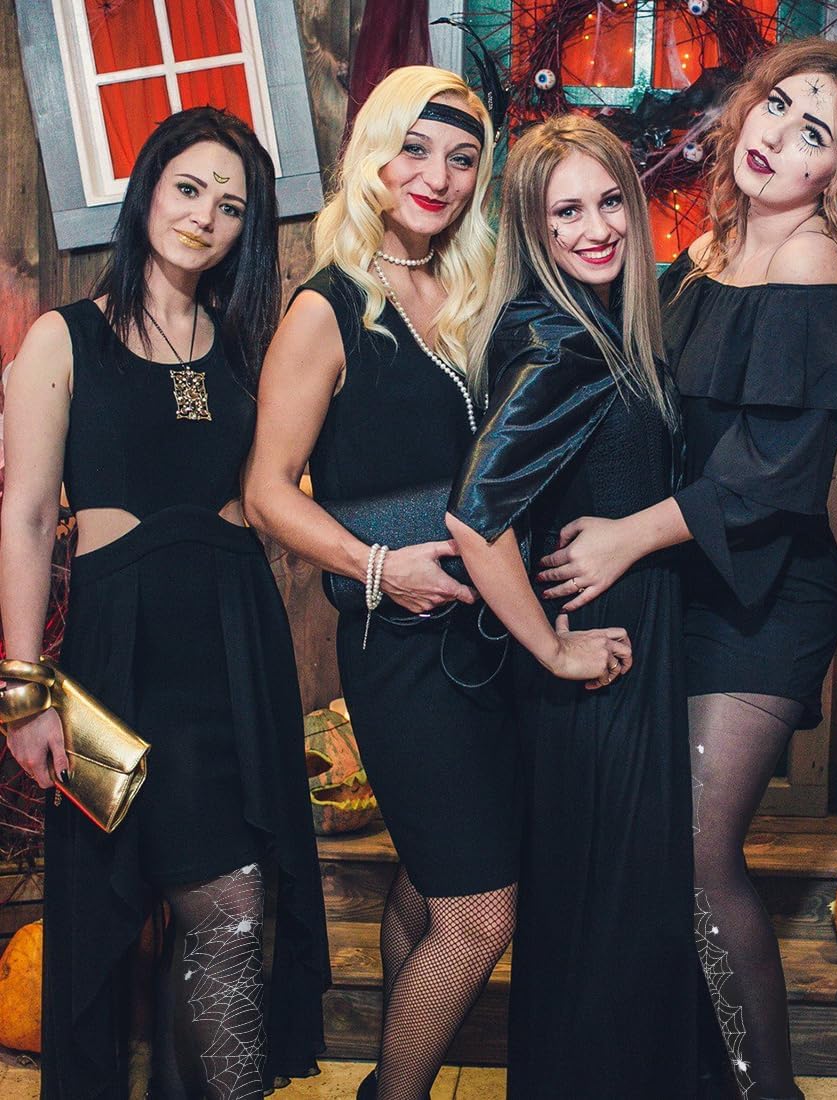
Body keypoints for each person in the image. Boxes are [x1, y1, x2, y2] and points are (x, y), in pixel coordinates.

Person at [531, 39, 837, 1099]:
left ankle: (764, 1090)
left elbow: (769, 475)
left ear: (835, 173)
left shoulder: (809, 264)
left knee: (701, 853)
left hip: (764, 596)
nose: (777, 135)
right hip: (687, 579)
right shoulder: (711, 248)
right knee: (668, 851)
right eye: (776, 104)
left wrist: (621, 538)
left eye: (812, 132)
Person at [0, 107, 329, 1098]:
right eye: (189, 189)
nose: (204, 217)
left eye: (231, 207)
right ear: (147, 190)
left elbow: (276, 490)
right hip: (115, 659)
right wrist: (24, 692)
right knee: (145, 915)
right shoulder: (64, 338)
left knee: (231, 907)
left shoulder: (245, 348)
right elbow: (25, 517)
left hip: (234, 655)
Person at [242, 67, 518, 1100]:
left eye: (462, 158)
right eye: (416, 148)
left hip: (489, 637)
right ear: (374, 155)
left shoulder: (478, 291)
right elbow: (266, 491)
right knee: (480, 913)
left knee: (430, 875)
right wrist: (376, 567)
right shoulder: (329, 306)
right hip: (400, 647)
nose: (437, 176)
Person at [446, 113, 697, 1099]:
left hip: (627, 648)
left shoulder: (600, 324)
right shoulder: (559, 341)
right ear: (531, 228)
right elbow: (475, 520)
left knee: (608, 919)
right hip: (598, 669)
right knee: (609, 924)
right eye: (565, 214)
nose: (595, 229)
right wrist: (552, 649)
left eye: (607, 203)